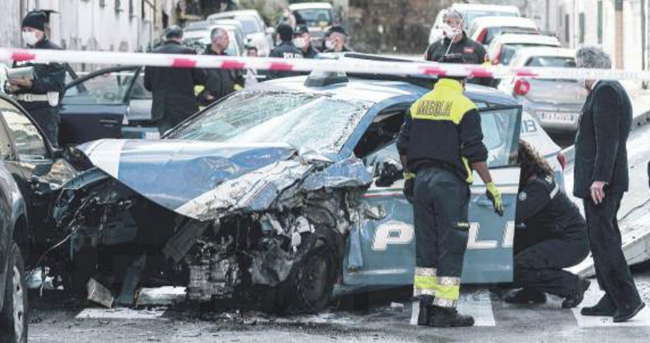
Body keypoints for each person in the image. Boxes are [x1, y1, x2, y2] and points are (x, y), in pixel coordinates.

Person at [396, 54, 503, 327]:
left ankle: (425, 308)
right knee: (451, 247)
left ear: (438, 75)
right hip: (449, 185)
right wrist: (490, 184)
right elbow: (475, 153)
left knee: (426, 248)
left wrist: (410, 176)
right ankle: (444, 311)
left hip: (421, 182)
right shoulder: (465, 106)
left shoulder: (419, 104)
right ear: (464, 77)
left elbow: (403, 146)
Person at [573, 46, 646, 322]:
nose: (577, 72)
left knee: (606, 241)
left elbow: (608, 140)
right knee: (601, 239)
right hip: (599, 182)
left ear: (591, 67)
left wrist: (599, 179)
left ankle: (628, 299)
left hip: (603, 183)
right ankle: (611, 296)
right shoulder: (605, 90)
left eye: (580, 66)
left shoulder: (605, 91)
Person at [505, 140, 590, 307]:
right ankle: (533, 291)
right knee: (512, 243)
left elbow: (513, 215)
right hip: (555, 234)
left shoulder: (537, 186)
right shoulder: (534, 176)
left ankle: (572, 285)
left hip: (571, 242)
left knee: (517, 267)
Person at [9, 11, 65, 147]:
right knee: (23, 149)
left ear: (41, 31)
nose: (27, 33)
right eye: (24, 30)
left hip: (44, 111)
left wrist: (31, 84)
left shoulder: (54, 52)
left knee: (46, 148)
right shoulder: (21, 53)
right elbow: (14, 74)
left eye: (30, 30)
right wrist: (12, 86)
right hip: (21, 109)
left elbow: (56, 82)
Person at [144, 26, 208, 133]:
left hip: (162, 110)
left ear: (165, 37)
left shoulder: (153, 54)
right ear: (181, 38)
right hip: (185, 109)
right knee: (187, 142)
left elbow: (148, 85)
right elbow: (202, 78)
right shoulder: (189, 52)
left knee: (167, 143)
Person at [424, 9, 492, 87]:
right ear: (443, 24)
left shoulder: (477, 48)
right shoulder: (434, 48)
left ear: (462, 25)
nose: (453, 25)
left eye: (457, 22)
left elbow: (488, 74)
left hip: (471, 93)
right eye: (448, 22)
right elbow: (424, 74)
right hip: (441, 92)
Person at [198, 28, 243, 106]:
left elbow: (239, 81)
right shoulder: (203, 60)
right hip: (208, 107)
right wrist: (204, 95)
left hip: (229, 106)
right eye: (226, 38)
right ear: (217, 40)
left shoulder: (228, 60)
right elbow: (197, 84)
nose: (228, 41)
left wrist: (237, 95)